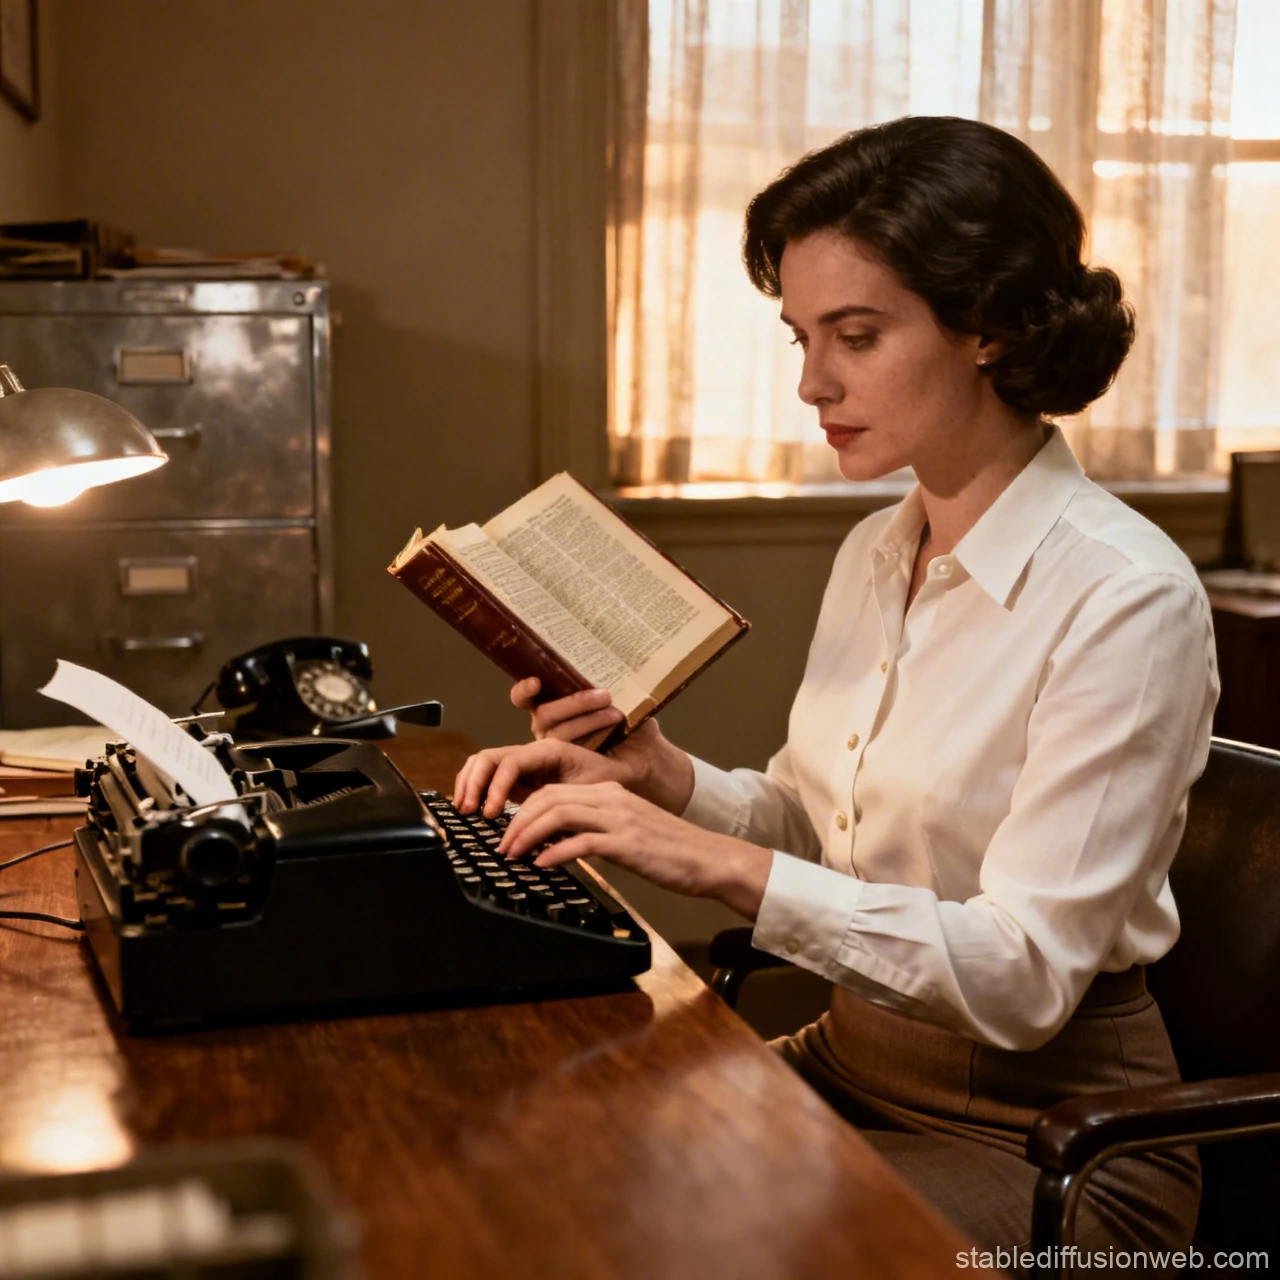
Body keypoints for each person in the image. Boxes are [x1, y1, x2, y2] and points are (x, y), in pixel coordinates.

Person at [453, 116, 1218, 1259]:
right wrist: (660, 779)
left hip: (1057, 1143)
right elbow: (823, 828)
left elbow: (1020, 977)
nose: (811, 381)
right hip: (846, 1060)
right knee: (531, 1150)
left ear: (993, 326)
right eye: (799, 336)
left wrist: (718, 864)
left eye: (853, 335)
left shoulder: (1125, 597)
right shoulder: (876, 548)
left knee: (656, 1237)